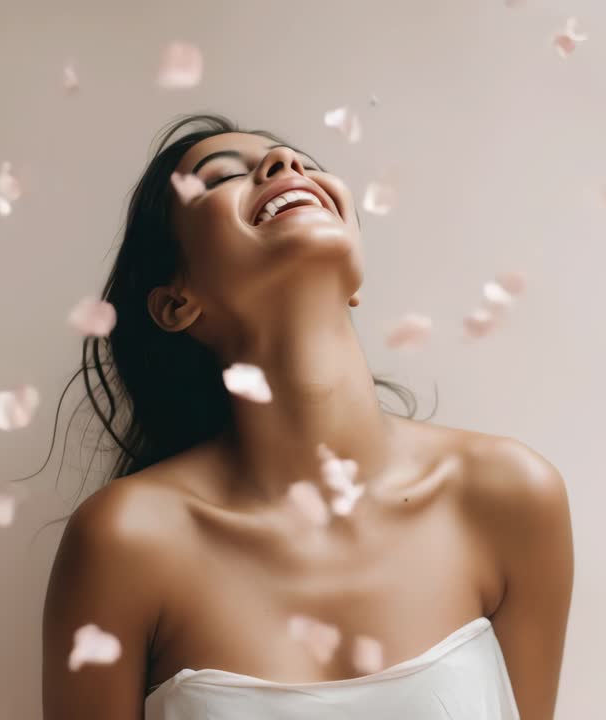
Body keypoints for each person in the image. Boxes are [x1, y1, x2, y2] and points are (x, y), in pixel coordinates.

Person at [41, 114, 574, 719]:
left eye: (303, 163)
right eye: (221, 179)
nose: (285, 166)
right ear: (175, 303)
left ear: (356, 276)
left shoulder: (509, 497)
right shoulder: (126, 541)